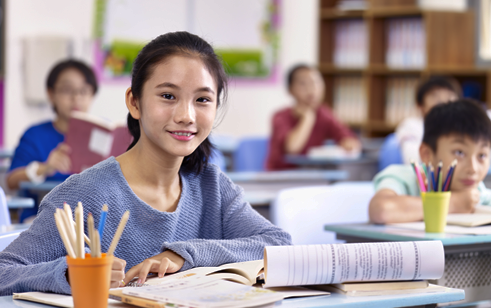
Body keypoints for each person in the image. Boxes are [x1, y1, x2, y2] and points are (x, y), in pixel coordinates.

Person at [0, 31, 292, 295]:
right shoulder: (83, 194)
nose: (186, 115)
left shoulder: (212, 184)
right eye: (168, 96)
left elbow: (278, 243)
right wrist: (68, 273)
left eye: (202, 100)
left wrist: (183, 255)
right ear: (134, 102)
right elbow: (4, 272)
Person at [369, 99, 491, 224]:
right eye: (459, 153)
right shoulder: (404, 179)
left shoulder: (476, 192)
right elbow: (382, 210)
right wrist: (453, 203)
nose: (473, 168)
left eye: (482, 155)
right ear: (427, 154)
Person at [6, 59, 98, 221]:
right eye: (67, 90)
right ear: (51, 94)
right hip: (41, 217)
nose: (76, 98)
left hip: (92, 219)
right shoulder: (35, 135)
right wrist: (45, 168)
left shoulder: (102, 136)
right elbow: (11, 180)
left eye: (84, 91)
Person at [266, 64, 360, 170]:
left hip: (312, 176)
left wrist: (348, 144)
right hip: (281, 177)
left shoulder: (324, 114)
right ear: (290, 90)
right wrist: (307, 118)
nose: (311, 89)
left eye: (316, 82)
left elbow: (349, 139)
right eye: (303, 84)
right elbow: (292, 148)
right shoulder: (280, 117)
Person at [395, 76, 462, 164]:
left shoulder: (463, 125)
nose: (443, 101)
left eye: (449, 96)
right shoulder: (412, 126)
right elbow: (412, 158)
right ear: (420, 106)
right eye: (435, 96)